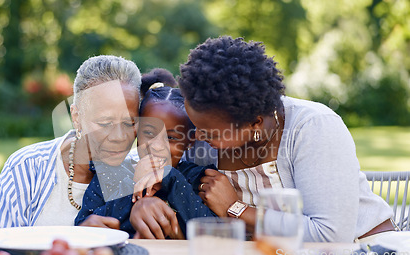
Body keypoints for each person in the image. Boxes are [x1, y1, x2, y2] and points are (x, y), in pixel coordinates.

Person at [130, 36, 394, 242]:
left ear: (255, 123)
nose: (196, 138)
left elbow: (328, 235)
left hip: (361, 250)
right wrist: (144, 192)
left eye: (208, 133)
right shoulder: (206, 128)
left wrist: (236, 208)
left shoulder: (312, 128)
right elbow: (127, 162)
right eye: (195, 126)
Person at [0, 55, 141, 232]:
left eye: (129, 123)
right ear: (76, 117)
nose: (119, 137)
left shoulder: (140, 176)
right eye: (104, 123)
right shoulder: (27, 168)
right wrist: (77, 240)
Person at [75, 85, 218, 238]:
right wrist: (133, 184)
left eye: (171, 138)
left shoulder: (197, 179)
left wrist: (171, 178)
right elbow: (84, 226)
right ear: (137, 132)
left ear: (190, 142)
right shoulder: (109, 175)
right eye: (149, 133)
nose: (156, 146)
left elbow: (212, 233)